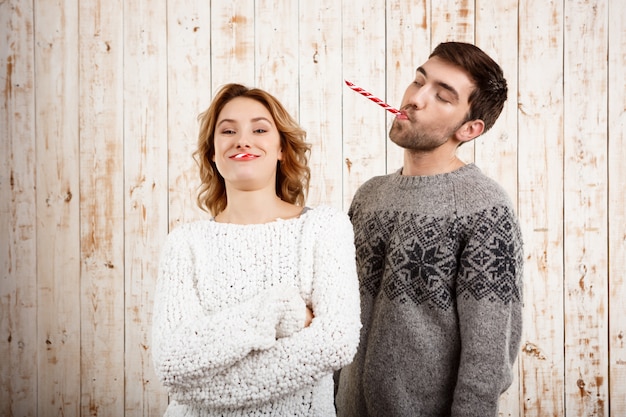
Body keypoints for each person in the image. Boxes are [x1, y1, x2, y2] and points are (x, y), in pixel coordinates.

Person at [335, 41, 524, 417]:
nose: (415, 99)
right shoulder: (369, 196)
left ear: (470, 129)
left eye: (442, 97)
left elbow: (487, 358)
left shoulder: (485, 209)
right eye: (418, 81)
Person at [152, 83, 361, 416]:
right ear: (212, 152)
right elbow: (173, 363)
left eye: (259, 129)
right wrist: (281, 310)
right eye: (228, 131)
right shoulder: (185, 243)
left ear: (281, 148)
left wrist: (202, 383)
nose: (242, 140)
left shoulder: (324, 228)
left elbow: (335, 342)